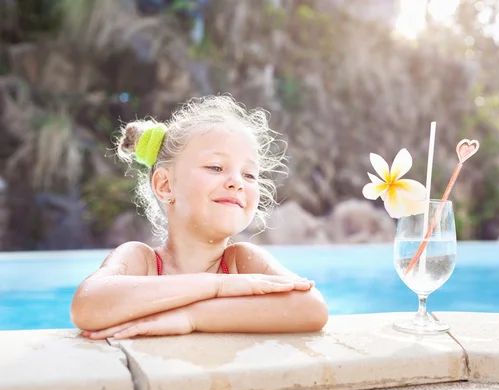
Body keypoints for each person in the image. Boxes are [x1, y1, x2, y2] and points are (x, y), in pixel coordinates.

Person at [70, 95, 329, 340]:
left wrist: (192, 316)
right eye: (215, 167)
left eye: (249, 175)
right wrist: (216, 287)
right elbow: (87, 305)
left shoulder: (241, 262)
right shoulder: (143, 262)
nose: (237, 182)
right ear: (165, 185)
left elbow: (311, 307)